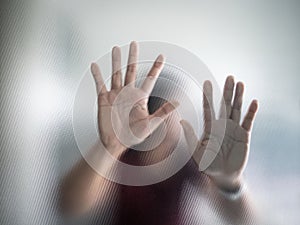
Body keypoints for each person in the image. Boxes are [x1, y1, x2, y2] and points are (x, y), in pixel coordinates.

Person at [61, 41, 259, 225]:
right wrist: (109, 149)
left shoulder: (189, 161)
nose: (176, 123)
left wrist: (230, 183)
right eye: (167, 112)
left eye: (179, 114)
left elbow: (242, 219)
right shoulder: (125, 158)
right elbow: (69, 204)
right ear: (148, 114)